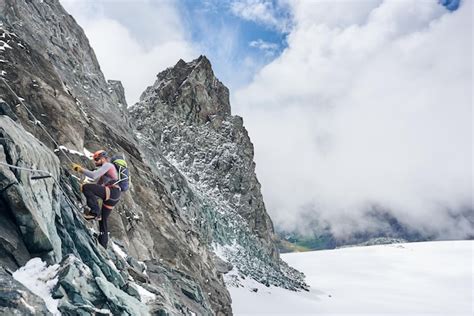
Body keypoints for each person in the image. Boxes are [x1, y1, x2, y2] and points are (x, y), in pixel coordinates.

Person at [71, 150, 121, 248]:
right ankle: (103, 244)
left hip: (112, 192)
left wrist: (80, 169)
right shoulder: (106, 172)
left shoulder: (108, 165)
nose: (95, 162)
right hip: (115, 195)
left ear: (103, 158)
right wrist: (86, 188)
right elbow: (97, 188)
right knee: (103, 220)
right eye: (94, 160)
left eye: (97, 159)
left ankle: (94, 212)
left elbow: (93, 176)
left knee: (87, 187)